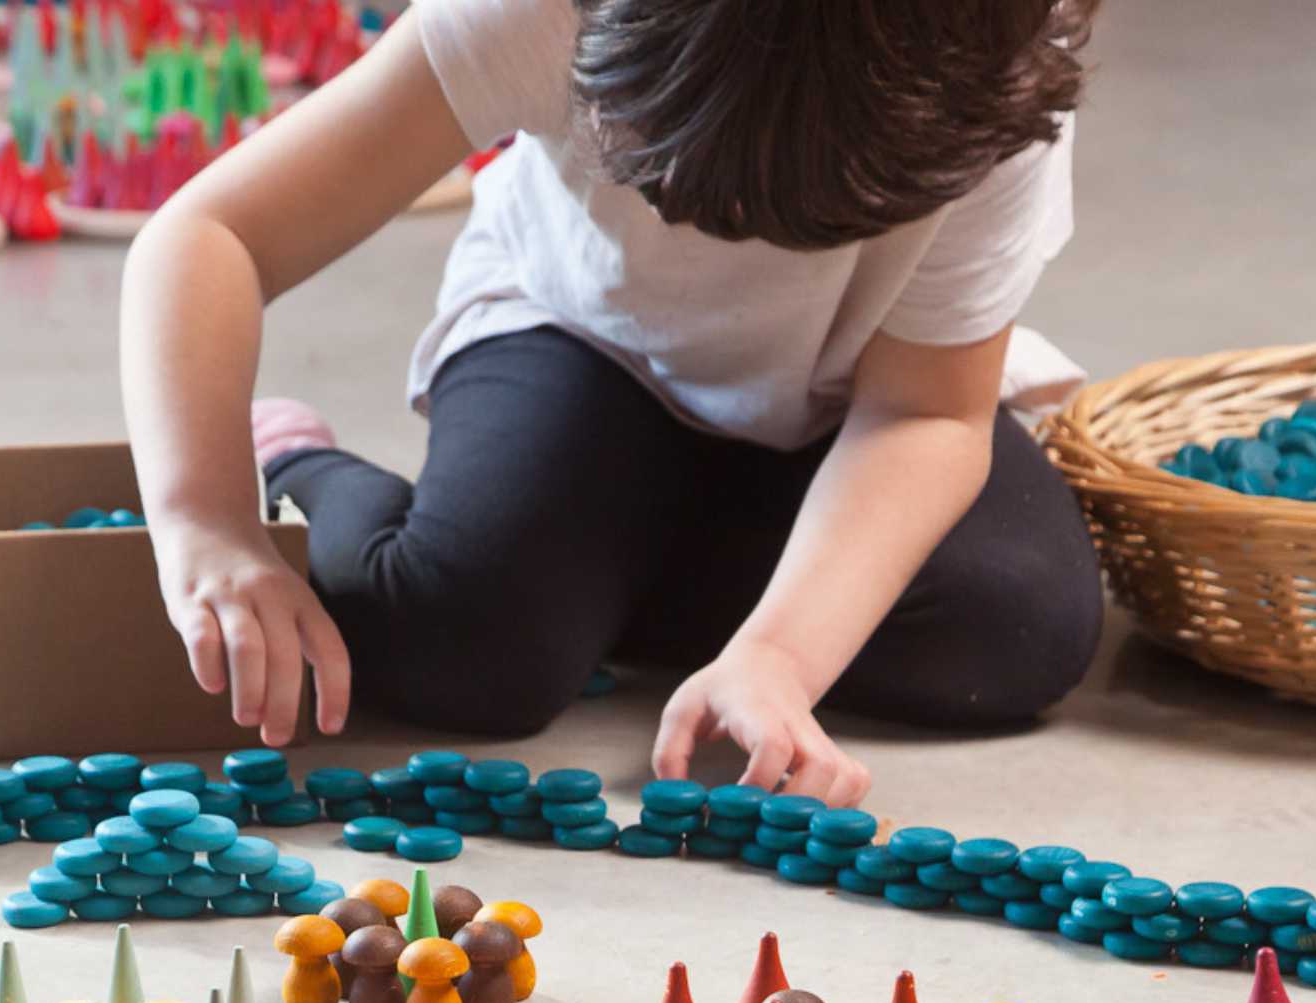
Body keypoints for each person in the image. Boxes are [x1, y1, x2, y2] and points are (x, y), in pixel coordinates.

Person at [122, 0, 1105, 803]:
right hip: (579, 337)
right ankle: (305, 459)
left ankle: (603, 568)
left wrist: (779, 655)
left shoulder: (998, 84)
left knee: (1014, 631)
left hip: (841, 401)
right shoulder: (541, 11)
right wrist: (204, 519)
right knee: (463, 646)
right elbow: (212, 233)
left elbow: (925, 415)